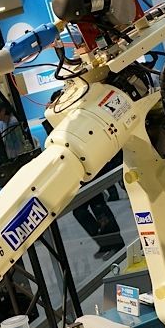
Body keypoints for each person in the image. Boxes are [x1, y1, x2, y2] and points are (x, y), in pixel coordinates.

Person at [42, 91, 125, 260]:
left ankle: (115, 243)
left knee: (96, 207)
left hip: (90, 168)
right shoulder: (59, 120)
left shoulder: (78, 116)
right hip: (77, 172)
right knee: (82, 210)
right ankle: (105, 242)